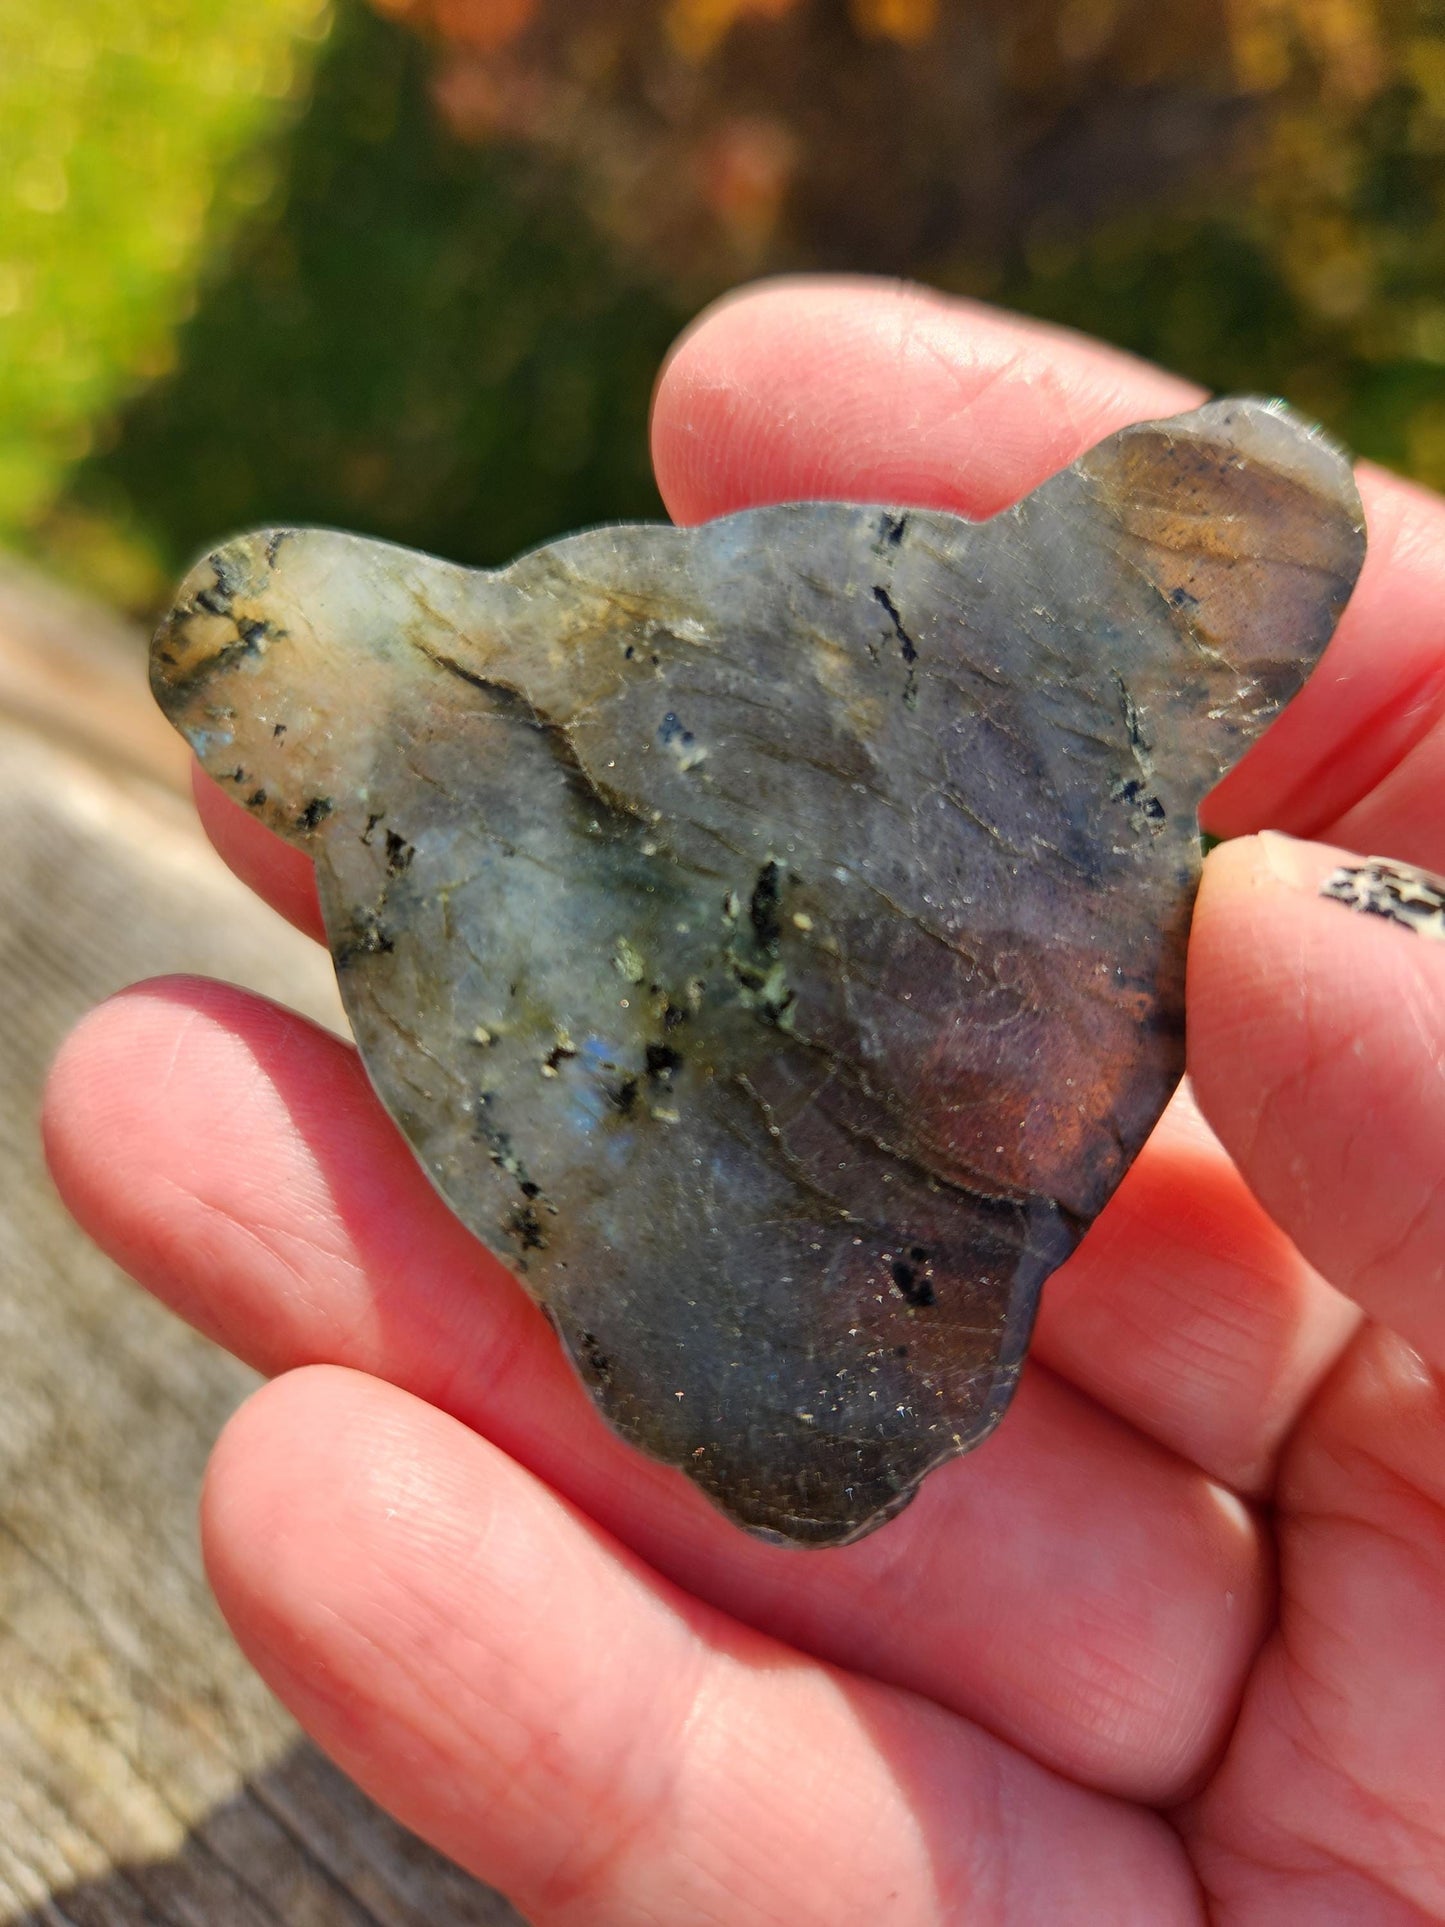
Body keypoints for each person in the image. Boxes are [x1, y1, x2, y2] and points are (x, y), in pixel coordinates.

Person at [43, 278, 1445, 1923]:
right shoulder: (525, 781)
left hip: (877, 1130)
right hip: (811, 1172)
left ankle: (805, 1393)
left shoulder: (649, 665)